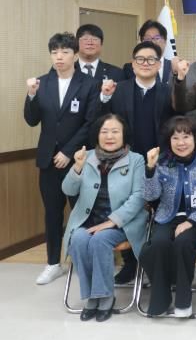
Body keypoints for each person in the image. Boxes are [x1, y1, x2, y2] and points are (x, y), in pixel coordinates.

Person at [24, 32, 99, 285]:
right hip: (48, 160)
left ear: (75, 55)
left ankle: (85, 260)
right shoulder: (42, 82)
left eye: (65, 52)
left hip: (78, 159)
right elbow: (32, 120)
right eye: (55, 52)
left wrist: (68, 152)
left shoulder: (88, 84)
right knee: (52, 213)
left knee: (83, 210)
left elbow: (90, 123)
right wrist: (31, 95)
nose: (59, 57)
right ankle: (53, 263)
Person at [99, 41, 176, 284]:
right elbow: (102, 122)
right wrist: (104, 97)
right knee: (126, 210)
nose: (145, 63)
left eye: (151, 59)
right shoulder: (119, 90)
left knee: (161, 214)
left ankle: (158, 265)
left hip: (161, 162)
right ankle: (130, 264)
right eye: (140, 59)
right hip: (125, 162)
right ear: (133, 64)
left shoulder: (168, 91)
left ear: (159, 64)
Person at [62, 114, 148, 322]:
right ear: (97, 135)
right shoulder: (86, 156)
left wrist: (113, 221)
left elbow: (139, 196)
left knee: (100, 240)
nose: (109, 136)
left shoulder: (136, 160)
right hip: (88, 221)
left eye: (115, 131)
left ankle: (105, 296)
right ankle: (92, 296)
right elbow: (68, 190)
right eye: (104, 131)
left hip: (122, 223)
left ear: (124, 134)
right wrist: (77, 167)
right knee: (78, 239)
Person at [139, 116, 196, 318]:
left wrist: (191, 221)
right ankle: (160, 302)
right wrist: (150, 169)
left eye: (186, 137)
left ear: (195, 139)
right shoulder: (161, 163)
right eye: (175, 138)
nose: (181, 142)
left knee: (183, 242)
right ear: (169, 141)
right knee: (157, 244)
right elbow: (150, 196)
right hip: (167, 217)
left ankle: (183, 303)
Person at [123, 20, 177, 85]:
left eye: (157, 38)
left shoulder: (174, 67)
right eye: (147, 39)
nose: (152, 42)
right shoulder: (131, 67)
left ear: (165, 42)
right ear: (142, 43)